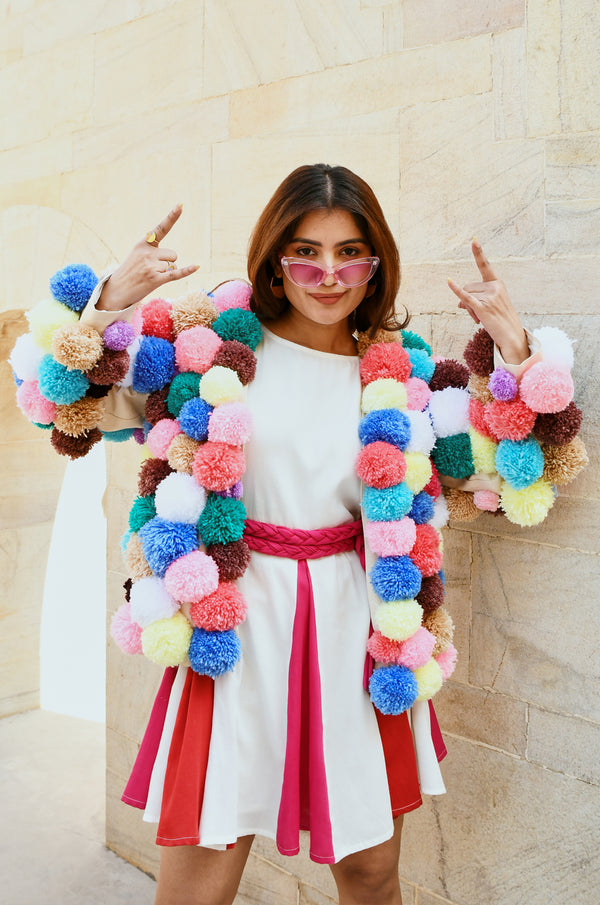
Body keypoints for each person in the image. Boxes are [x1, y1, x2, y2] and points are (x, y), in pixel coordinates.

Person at [12, 164, 586, 905]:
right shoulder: (210, 347)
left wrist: (513, 349)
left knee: (371, 875)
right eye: (305, 251)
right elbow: (68, 411)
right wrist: (106, 308)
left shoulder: (403, 377)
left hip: (358, 634)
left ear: (376, 262)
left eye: (351, 251)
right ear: (276, 260)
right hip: (237, 630)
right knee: (198, 882)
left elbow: (508, 475)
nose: (328, 273)